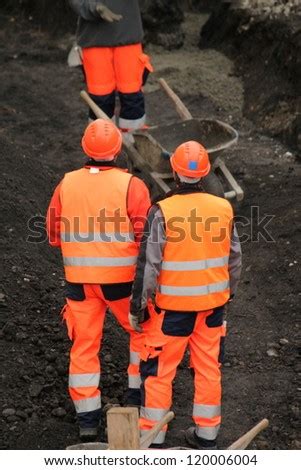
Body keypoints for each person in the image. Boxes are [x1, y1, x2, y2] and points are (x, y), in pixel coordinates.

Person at [129, 141, 242, 449]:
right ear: (206, 174)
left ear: (175, 171)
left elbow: (148, 264)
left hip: (173, 312)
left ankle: (154, 436)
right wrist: (227, 295)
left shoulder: (162, 210)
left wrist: (138, 307)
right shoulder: (223, 208)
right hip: (212, 308)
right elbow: (234, 258)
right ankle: (207, 436)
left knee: (159, 370)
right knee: (208, 368)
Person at [46, 119, 151, 440]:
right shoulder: (132, 186)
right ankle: (136, 403)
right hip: (121, 282)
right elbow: (146, 236)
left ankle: (88, 423)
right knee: (142, 333)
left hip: (79, 283)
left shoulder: (66, 184)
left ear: (84, 148)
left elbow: (53, 234)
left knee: (84, 347)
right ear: (118, 150)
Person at [69, 1, 153, 129]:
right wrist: (95, 8)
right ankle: (102, 142)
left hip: (127, 37)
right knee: (100, 98)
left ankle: (135, 141)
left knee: (132, 96)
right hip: (95, 41)